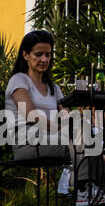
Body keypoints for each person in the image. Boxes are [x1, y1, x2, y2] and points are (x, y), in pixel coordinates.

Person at [4, 29, 68, 164]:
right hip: (26, 142)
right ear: (26, 55)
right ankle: (87, 184)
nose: (44, 59)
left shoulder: (54, 88)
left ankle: (99, 184)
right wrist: (61, 129)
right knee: (81, 145)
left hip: (52, 139)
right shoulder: (18, 80)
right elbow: (31, 116)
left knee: (103, 145)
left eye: (48, 55)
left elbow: (66, 116)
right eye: (38, 54)